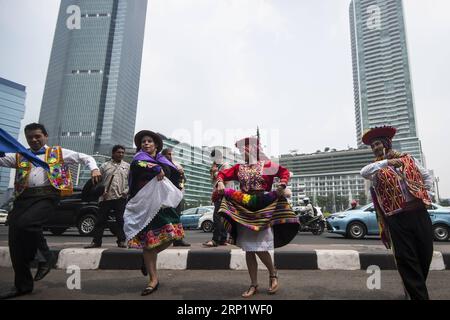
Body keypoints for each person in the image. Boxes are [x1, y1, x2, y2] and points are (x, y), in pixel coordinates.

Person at [0, 123, 100, 299]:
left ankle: (46, 256)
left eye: (37, 136)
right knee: (15, 241)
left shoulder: (57, 153)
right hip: (23, 198)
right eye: (30, 137)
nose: (34, 139)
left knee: (27, 223)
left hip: (47, 196)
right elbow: (1, 159)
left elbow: (84, 157)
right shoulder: (20, 155)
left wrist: (94, 168)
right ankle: (22, 286)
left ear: (46, 136)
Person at [214, 136, 299, 298]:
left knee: (260, 246)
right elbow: (222, 174)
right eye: (239, 149)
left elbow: (284, 172)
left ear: (252, 149)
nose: (241, 152)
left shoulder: (266, 165)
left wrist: (282, 184)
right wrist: (220, 181)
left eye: (242, 149)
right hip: (244, 208)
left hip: (263, 207)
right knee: (249, 249)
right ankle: (253, 284)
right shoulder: (239, 168)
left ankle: (273, 274)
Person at [360, 126, 434, 300]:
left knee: (425, 254)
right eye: (373, 146)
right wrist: (386, 162)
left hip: (419, 213)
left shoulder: (408, 158)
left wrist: (427, 194)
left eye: (377, 143)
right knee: (407, 260)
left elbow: (426, 177)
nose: (376, 148)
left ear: (387, 142)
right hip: (397, 218)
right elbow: (363, 172)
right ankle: (419, 296)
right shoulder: (375, 168)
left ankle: (413, 288)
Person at [123, 130, 185, 296]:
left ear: (156, 145)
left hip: (163, 205)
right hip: (144, 205)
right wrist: (155, 168)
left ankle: (146, 258)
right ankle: (153, 280)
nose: (146, 144)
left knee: (172, 237)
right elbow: (138, 167)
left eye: (150, 141)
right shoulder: (139, 159)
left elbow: (173, 176)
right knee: (149, 243)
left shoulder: (165, 160)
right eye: (143, 141)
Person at [85, 145, 129, 249]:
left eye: (122, 152)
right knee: (100, 220)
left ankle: (121, 241)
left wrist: (126, 192)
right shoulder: (104, 166)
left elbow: (130, 182)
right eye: (119, 152)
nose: (121, 154)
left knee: (120, 220)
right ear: (113, 153)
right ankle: (96, 241)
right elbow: (97, 181)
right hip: (106, 198)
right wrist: (101, 191)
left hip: (120, 197)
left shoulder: (127, 166)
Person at [161, 148, 191, 247]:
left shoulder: (176, 165)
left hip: (176, 195)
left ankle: (178, 240)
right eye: (169, 154)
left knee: (177, 217)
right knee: (164, 218)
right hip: (165, 196)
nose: (171, 156)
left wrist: (181, 173)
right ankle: (162, 239)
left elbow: (183, 180)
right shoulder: (162, 164)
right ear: (164, 155)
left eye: (172, 154)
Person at [203, 148, 231, 247]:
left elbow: (226, 180)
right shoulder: (216, 166)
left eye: (214, 158)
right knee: (221, 217)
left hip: (222, 194)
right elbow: (213, 182)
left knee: (217, 217)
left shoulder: (225, 165)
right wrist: (213, 173)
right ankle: (222, 239)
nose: (213, 161)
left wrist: (215, 173)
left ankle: (216, 240)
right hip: (217, 194)